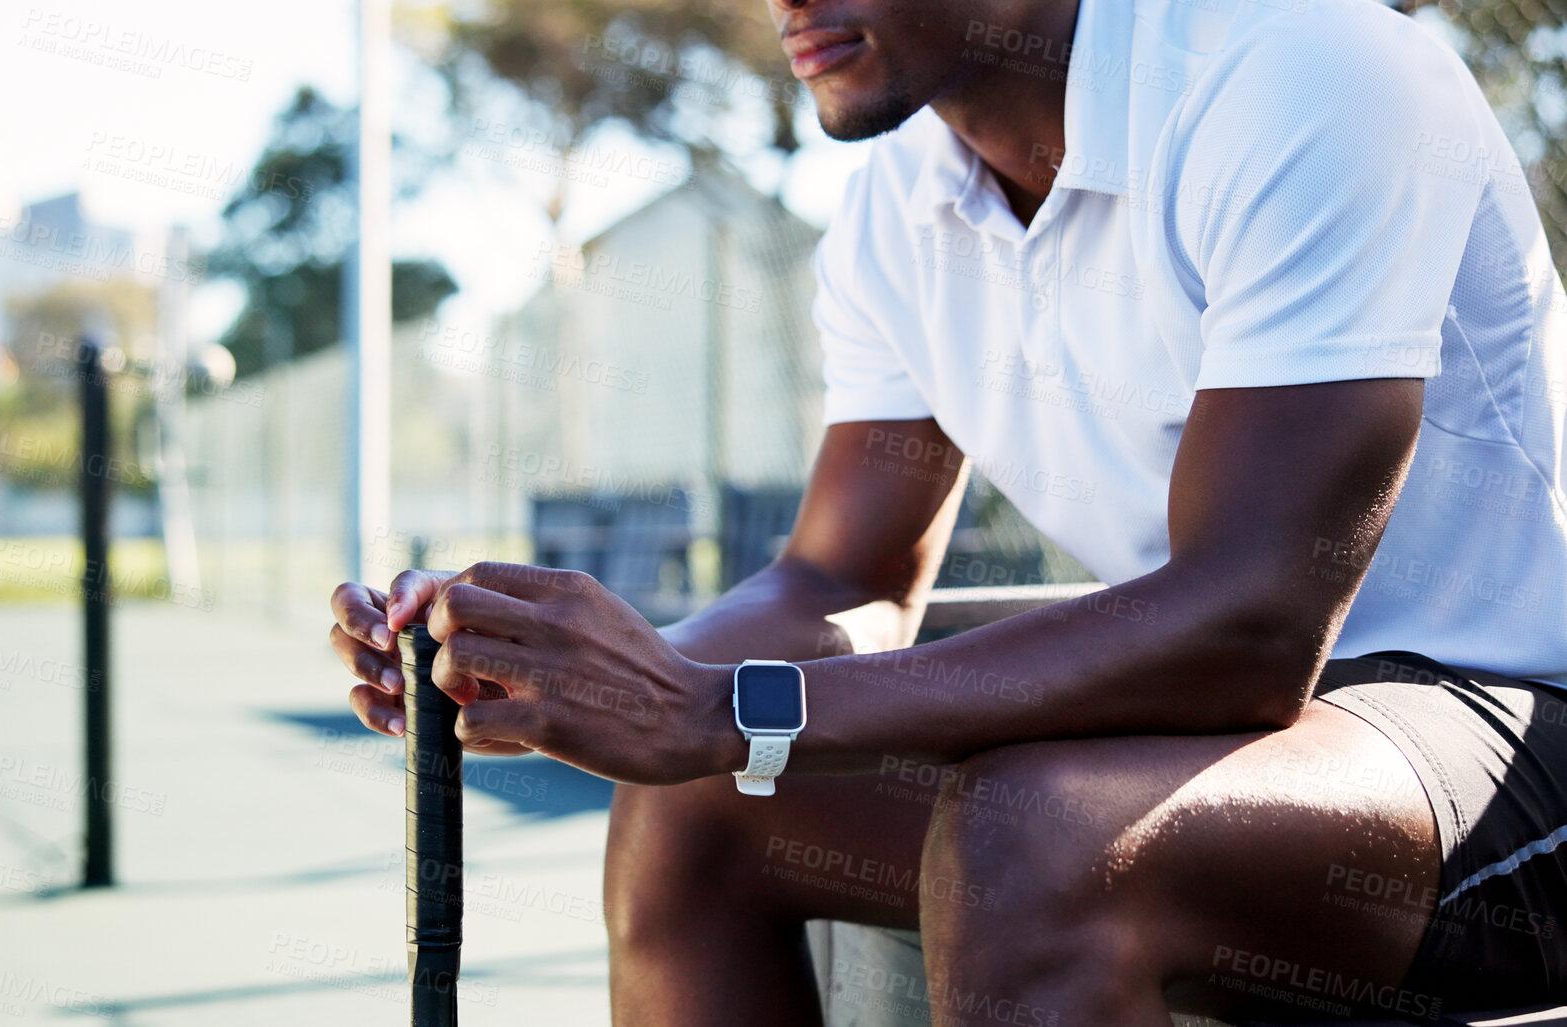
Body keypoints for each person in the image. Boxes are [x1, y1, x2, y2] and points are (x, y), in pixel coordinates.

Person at [330, 0, 1567, 1021]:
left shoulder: (1307, 75)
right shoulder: (897, 204)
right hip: (1273, 729)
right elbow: (842, 581)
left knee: (1033, 838)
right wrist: (577, 676)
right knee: (696, 799)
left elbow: (1245, 624)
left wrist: (716, 706)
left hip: (1514, 721)